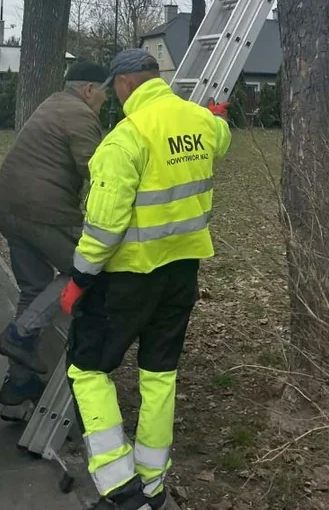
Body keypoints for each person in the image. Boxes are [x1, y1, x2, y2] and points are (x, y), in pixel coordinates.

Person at [60, 49, 231, 510]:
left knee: (88, 367)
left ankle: (118, 486)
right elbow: (221, 138)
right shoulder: (199, 121)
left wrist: (79, 277)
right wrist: (217, 116)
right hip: (182, 273)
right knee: (159, 375)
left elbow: (103, 226)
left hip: (128, 278)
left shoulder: (125, 139)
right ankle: (153, 486)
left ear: (123, 84)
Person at [0, 59, 110, 409]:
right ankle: (18, 334)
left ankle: (18, 385)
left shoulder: (52, 104)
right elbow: (98, 171)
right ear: (89, 90)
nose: (104, 101)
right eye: (103, 94)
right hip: (44, 213)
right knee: (85, 269)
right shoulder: (80, 116)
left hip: (8, 207)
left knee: (34, 289)